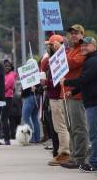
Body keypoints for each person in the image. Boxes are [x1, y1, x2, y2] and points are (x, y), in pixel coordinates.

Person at [60, 37, 97, 172]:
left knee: (95, 135)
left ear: (94, 46)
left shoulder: (93, 61)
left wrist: (67, 83)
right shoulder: (90, 60)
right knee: (96, 134)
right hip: (94, 102)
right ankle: (96, 161)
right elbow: (87, 82)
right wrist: (74, 91)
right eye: (82, 46)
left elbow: (85, 79)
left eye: (87, 45)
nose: (83, 48)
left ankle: (95, 164)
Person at [59, 24, 89, 169]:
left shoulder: (82, 49)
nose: (73, 36)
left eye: (76, 33)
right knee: (71, 127)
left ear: (82, 35)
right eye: (72, 33)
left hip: (76, 94)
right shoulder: (70, 50)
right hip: (67, 93)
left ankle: (80, 158)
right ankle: (74, 156)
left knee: (79, 127)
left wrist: (61, 54)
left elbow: (71, 63)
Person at [41, 35, 70, 166]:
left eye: (51, 45)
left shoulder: (60, 58)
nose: (49, 47)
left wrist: (46, 81)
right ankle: (63, 152)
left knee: (61, 127)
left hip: (58, 96)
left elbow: (59, 80)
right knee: (59, 127)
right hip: (55, 95)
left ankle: (64, 153)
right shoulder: (56, 58)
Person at [21, 79, 42, 143]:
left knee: (25, 118)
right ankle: (37, 138)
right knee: (35, 118)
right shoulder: (36, 76)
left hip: (29, 97)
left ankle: (31, 138)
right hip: (36, 97)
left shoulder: (28, 75)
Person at [2, 60, 18, 145]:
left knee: (4, 119)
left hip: (7, 98)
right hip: (5, 98)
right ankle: (6, 138)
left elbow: (4, 87)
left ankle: (7, 138)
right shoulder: (7, 75)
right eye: (5, 66)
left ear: (11, 67)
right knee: (4, 119)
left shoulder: (11, 76)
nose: (6, 68)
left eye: (8, 66)